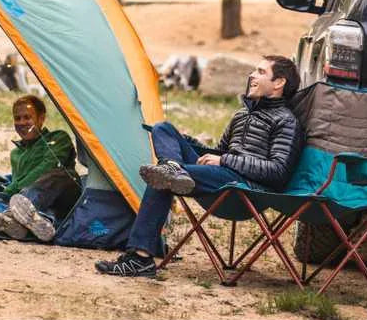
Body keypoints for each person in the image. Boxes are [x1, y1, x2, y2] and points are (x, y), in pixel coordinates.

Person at [95, 55, 303, 278]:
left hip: (244, 188)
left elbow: (278, 172)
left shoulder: (286, 121)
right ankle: (173, 167)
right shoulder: (242, 115)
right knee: (163, 129)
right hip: (219, 175)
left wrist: (224, 161)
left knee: (162, 177)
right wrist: (187, 144)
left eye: (261, 72)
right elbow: (218, 153)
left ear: (279, 83)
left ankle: (140, 258)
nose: (252, 75)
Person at [0, 94, 81, 242]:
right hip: (35, 205)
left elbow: (47, 166)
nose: (22, 123)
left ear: (41, 118)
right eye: (17, 118)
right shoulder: (16, 153)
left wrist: (11, 191)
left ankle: (12, 216)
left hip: (63, 197)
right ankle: (23, 224)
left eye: (27, 117)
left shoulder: (58, 138)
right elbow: (17, 180)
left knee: (61, 175)